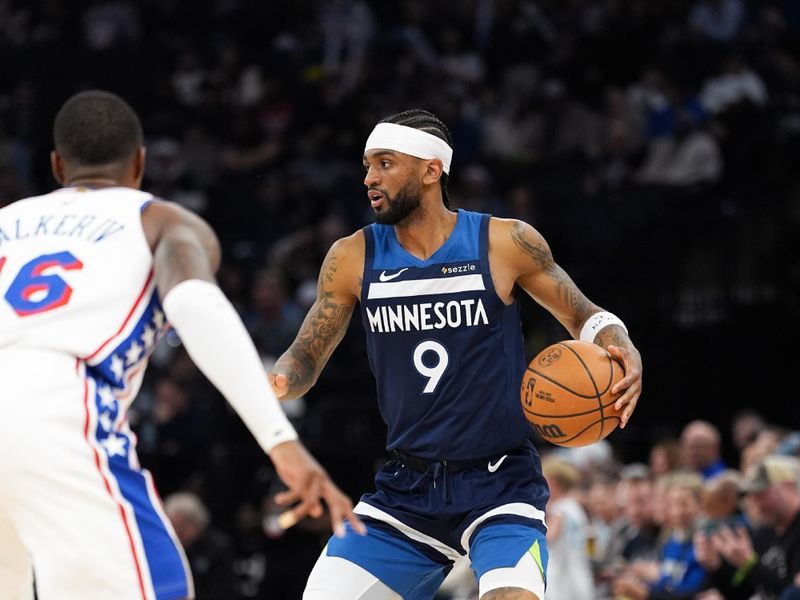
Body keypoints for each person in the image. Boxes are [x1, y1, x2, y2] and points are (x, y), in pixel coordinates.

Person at [0, 90, 363, 600]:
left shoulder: (7, 221)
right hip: (55, 404)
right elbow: (195, 304)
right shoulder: (161, 220)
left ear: (58, 164)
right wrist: (282, 443)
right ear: (140, 163)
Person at [269, 109, 643, 600]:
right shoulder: (352, 255)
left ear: (430, 170)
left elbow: (584, 316)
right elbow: (305, 359)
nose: (369, 178)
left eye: (384, 163)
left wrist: (621, 344)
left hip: (500, 484)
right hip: (407, 487)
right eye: (367, 165)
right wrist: (271, 384)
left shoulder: (504, 242)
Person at [695, 455, 800, 599]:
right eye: (751, 496)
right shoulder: (764, 532)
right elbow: (743, 592)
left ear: (788, 486)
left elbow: (793, 594)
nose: (755, 504)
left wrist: (749, 564)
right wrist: (716, 567)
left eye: (761, 494)